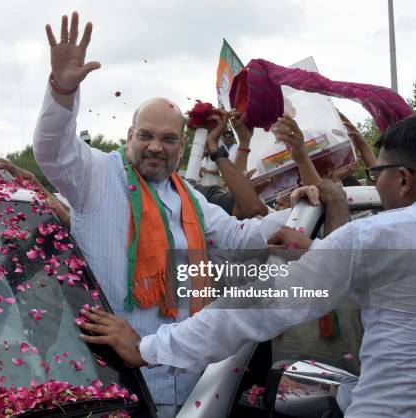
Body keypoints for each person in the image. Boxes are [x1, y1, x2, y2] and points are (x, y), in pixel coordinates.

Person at [33, 12, 308, 417]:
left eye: (167, 139)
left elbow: (236, 237)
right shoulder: (96, 175)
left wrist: (297, 207)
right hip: (115, 382)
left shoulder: (187, 197)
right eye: (145, 135)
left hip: (186, 381)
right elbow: (51, 150)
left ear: (181, 146)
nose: (155, 147)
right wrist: (62, 90)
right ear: (129, 137)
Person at [79, 116, 416, 417]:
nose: (156, 147)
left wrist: (147, 348)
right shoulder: (381, 242)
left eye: (377, 173)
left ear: (402, 180)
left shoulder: (376, 237)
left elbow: (258, 305)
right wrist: (316, 248)